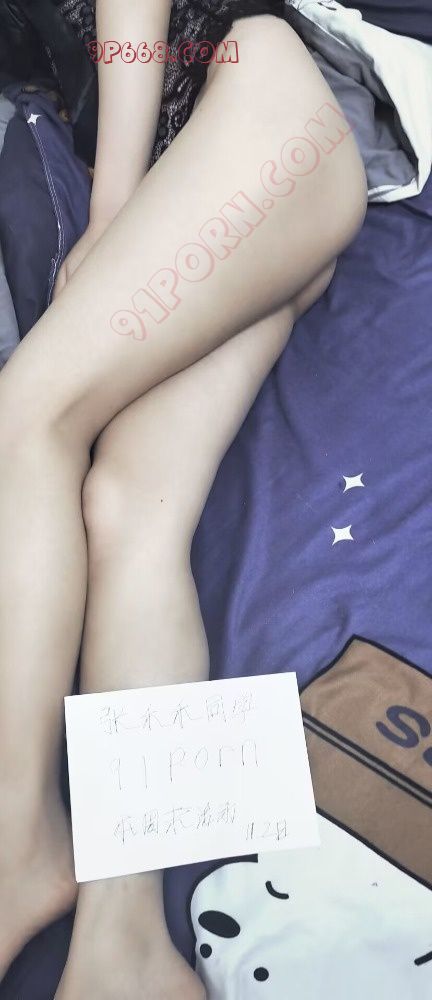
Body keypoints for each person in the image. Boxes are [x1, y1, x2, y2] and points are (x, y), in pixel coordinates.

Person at [0, 1, 367, 997]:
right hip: (236, 204)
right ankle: (123, 942)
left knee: (28, 418)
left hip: (255, 120)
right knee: (127, 505)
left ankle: (16, 837)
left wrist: (114, 209)